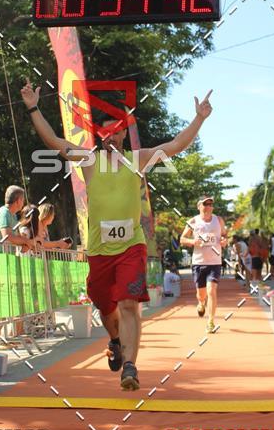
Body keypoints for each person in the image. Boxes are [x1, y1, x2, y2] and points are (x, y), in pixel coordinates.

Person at [21, 79, 213, 391]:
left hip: (130, 248)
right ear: (101, 134)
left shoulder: (137, 160)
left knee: (128, 304)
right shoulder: (89, 160)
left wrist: (199, 118)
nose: (113, 134)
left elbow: (176, 145)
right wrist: (32, 106)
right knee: (105, 306)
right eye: (107, 130)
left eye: (118, 129)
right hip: (99, 251)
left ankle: (130, 367)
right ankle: (114, 340)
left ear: (124, 132)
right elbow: (53, 141)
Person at [180, 197, 227, 332]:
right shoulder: (193, 221)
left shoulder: (218, 220)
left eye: (211, 204)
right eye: (206, 204)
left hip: (215, 262)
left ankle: (211, 321)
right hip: (199, 262)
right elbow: (182, 239)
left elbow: (224, 235)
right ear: (199, 206)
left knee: (211, 291)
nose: (209, 206)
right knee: (201, 294)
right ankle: (201, 303)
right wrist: (193, 242)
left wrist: (224, 241)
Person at [0, 185, 34, 252]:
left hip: (8, 257)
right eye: (23, 200)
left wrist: (26, 243)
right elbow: (7, 237)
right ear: (18, 200)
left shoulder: (13, 215)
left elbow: (17, 236)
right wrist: (26, 241)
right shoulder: (4, 213)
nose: (23, 203)